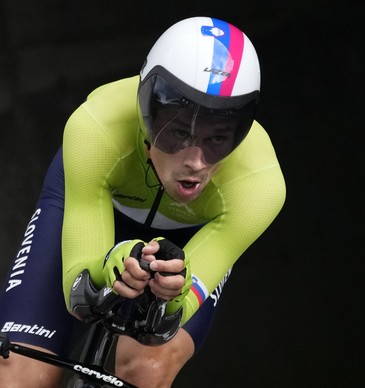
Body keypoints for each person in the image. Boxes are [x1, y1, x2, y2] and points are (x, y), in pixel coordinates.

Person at [0, 16, 285, 387]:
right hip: (95, 206)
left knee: (144, 370)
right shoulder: (95, 128)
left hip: (189, 238)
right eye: (179, 131)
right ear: (146, 111)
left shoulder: (259, 185)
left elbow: (170, 318)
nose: (195, 162)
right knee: (19, 374)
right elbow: (80, 287)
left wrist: (172, 296)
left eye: (218, 138)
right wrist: (108, 268)